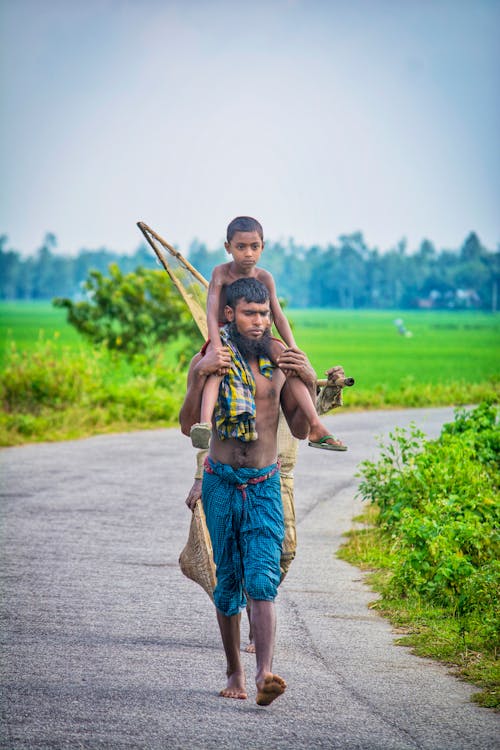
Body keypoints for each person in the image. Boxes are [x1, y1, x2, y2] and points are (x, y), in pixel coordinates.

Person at [179, 277, 321, 705]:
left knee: (262, 578)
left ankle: (264, 673)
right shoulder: (208, 359)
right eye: (249, 314)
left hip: (264, 484)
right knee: (228, 584)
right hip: (221, 481)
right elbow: (189, 425)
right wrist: (197, 377)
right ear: (229, 315)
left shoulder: (280, 361)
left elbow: (298, 427)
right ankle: (234, 671)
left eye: (264, 315)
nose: (258, 323)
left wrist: (310, 379)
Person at [189, 216, 346, 454]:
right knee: (217, 367)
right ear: (228, 247)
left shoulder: (265, 277)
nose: (248, 253)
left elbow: (278, 315)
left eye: (254, 247)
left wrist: (294, 348)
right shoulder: (220, 273)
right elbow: (211, 312)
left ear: (263, 246)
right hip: (225, 333)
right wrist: (214, 345)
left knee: (287, 360)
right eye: (241, 247)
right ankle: (204, 424)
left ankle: (315, 425)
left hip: (262, 335)